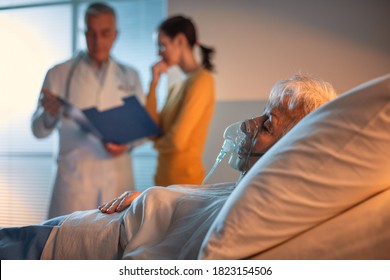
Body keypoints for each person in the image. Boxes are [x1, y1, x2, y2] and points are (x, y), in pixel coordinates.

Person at [1, 74, 336, 260]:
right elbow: (193, 204)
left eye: (266, 125)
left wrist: (151, 195)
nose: (249, 124)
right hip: (80, 207)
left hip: (78, 240)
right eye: (262, 113)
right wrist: (152, 197)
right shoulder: (62, 72)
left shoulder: (257, 210)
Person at [31, 2, 144, 219]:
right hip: (75, 183)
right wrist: (49, 115)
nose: (98, 41)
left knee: (116, 248)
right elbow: (36, 130)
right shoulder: (59, 73)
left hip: (118, 182)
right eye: (91, 33)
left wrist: (126, 144)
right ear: (83, 33)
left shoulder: (131, 75)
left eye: (104, 33)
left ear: (116, 35)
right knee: (68, 248)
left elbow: (141, 129)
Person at [145, 15, 216, 186]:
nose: (158, 52)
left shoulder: (202, 81)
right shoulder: (177, 84)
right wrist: (153, 83)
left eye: (162, 45)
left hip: (185, 184)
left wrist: (156, 145)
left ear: (180, 41)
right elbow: (152, 129)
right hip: (164, 180)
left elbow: (177, 142)